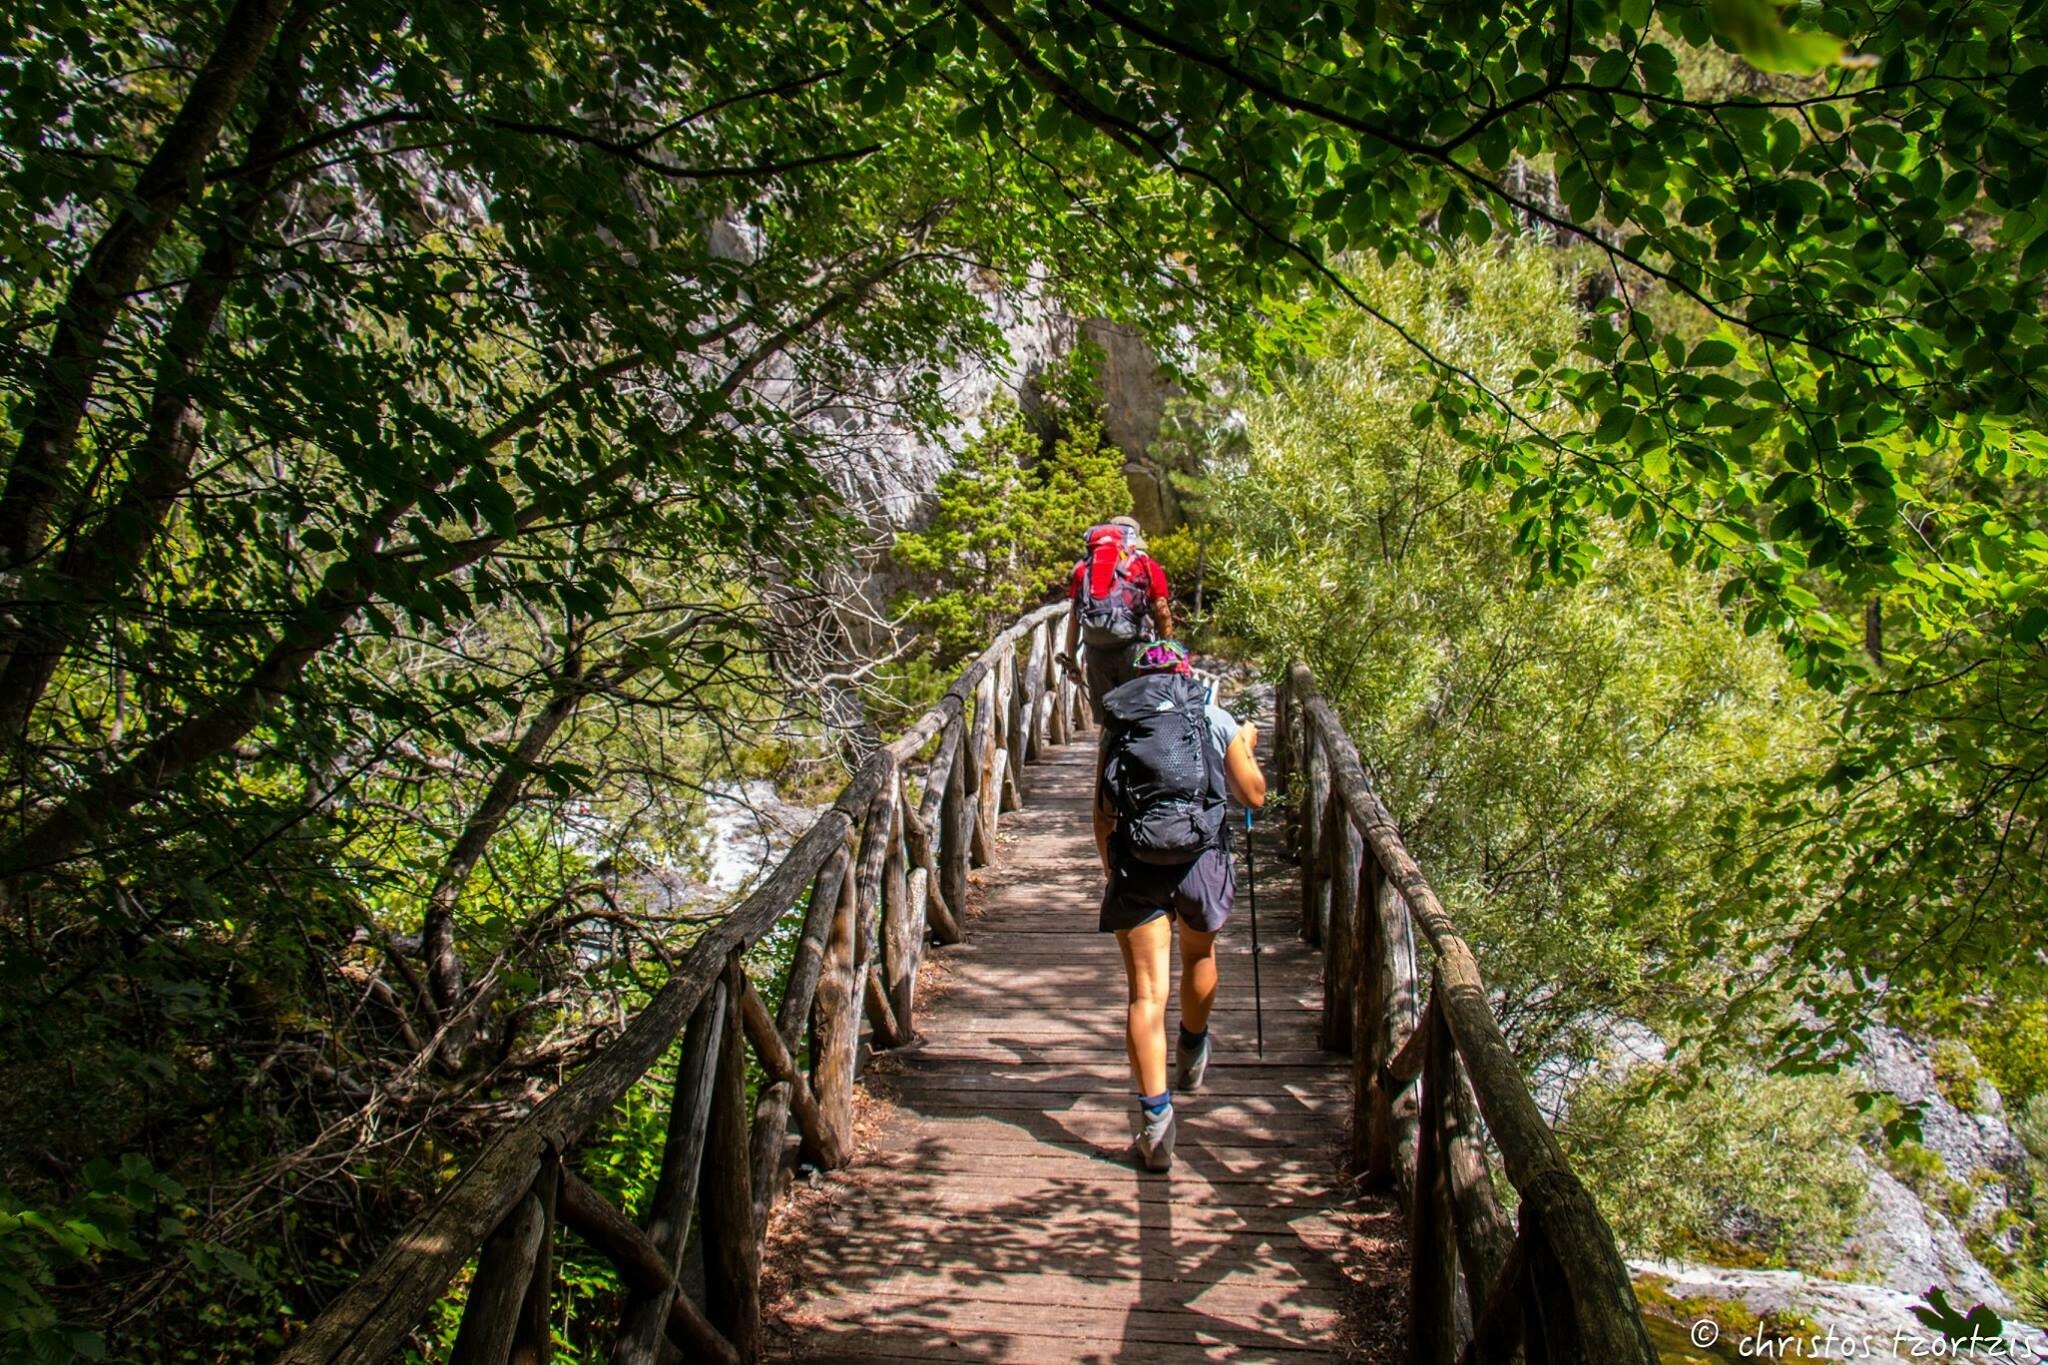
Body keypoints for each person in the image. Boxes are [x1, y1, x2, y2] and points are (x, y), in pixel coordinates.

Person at [1092, 639, 1266, 1171]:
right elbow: (1253, 795)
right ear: (1186, 674)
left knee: (1146, 994)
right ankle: (1192, 1049)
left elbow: (1102, 813)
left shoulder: (1122, 722)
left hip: (1139, 863)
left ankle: (1156, 1124)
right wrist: (1248, 744)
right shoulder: (1212, 713)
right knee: (1198, 956)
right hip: (1201, 862)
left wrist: (1113, 870)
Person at [1058, 516, 1172, 723]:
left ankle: (1106, 754)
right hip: (1136, 651)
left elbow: (1074, 619)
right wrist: (1167, 650)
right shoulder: (1144, 565)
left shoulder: (1084, 569)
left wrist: (1072, 661)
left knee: (1108, 722)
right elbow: (1162, 612)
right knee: (1140, 717)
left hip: (1096, 652)